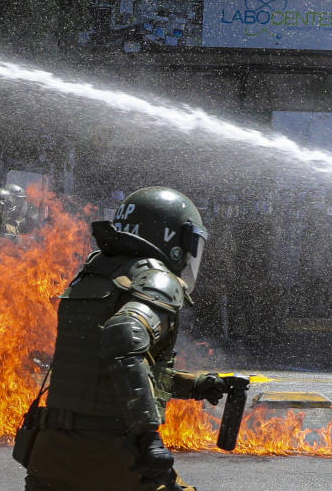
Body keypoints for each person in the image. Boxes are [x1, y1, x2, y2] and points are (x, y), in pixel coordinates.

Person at [22, 187, 224, 491]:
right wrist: (149, 437)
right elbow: (126, 336)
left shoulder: (93, 275)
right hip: (110, 454)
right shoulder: (156, 279)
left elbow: (107, 371)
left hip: (51, 453)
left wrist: (196, 385)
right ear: (176, 242)